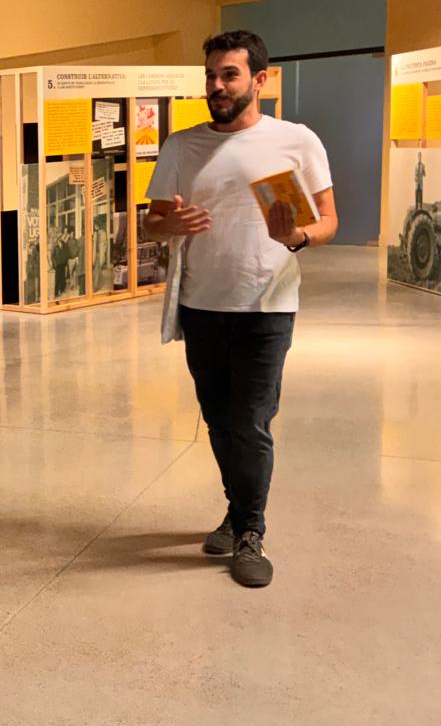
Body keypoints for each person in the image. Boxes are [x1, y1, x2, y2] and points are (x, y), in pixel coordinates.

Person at [143, 30, 338, 589]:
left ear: (259, 80)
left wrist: (298, 236)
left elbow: (328, 219)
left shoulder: (295, 140)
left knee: (250, 421)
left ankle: (251, 530)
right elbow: (153, 222)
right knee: (219, 420)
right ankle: (237, 511)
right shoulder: (182, 146)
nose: (217, 85)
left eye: (229, 74)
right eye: (211, 75)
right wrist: (169, 225)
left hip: (267, 305)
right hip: (201, 304)